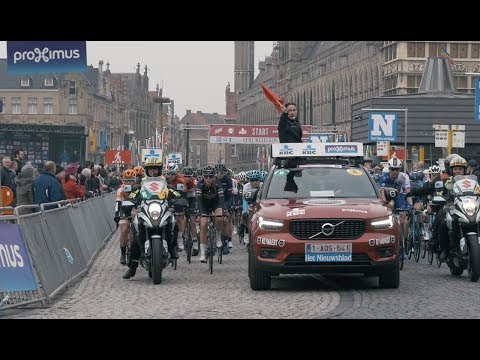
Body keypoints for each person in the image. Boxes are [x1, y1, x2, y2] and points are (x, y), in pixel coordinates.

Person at [122, 157, 182, 279]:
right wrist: (130, 200)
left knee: (173, 222)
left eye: (155, 169)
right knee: (136, 229)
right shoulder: (142, 183)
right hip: (145, 210)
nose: (153, 172)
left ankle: (172, 247)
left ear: (159, 170)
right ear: (147, 170)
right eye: (151, 169)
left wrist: (179, 198)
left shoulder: (165, 183)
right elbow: (134, 193)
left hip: (162, 208)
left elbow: (175, 193)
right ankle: (132, 267)